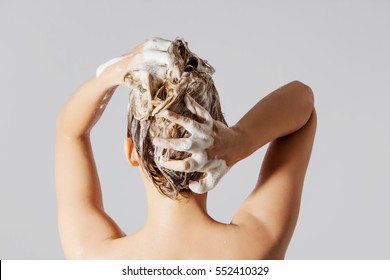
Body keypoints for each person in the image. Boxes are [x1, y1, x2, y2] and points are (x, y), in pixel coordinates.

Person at [55, 37, 316, 259]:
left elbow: (70, 132)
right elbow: (303, 101)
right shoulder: (257, 244)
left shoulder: (92, 257)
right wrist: (240, 139)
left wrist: (118, 69)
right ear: (218, 137)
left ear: (131, 151)